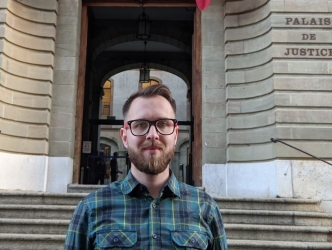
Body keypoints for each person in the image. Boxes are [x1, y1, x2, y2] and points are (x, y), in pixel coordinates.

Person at [64, 84, 228, 249]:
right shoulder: (90, 209)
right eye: (141, 124)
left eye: (163, 124)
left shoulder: (206, 208)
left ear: (176, 134)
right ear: (125, 136)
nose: (153, 135)